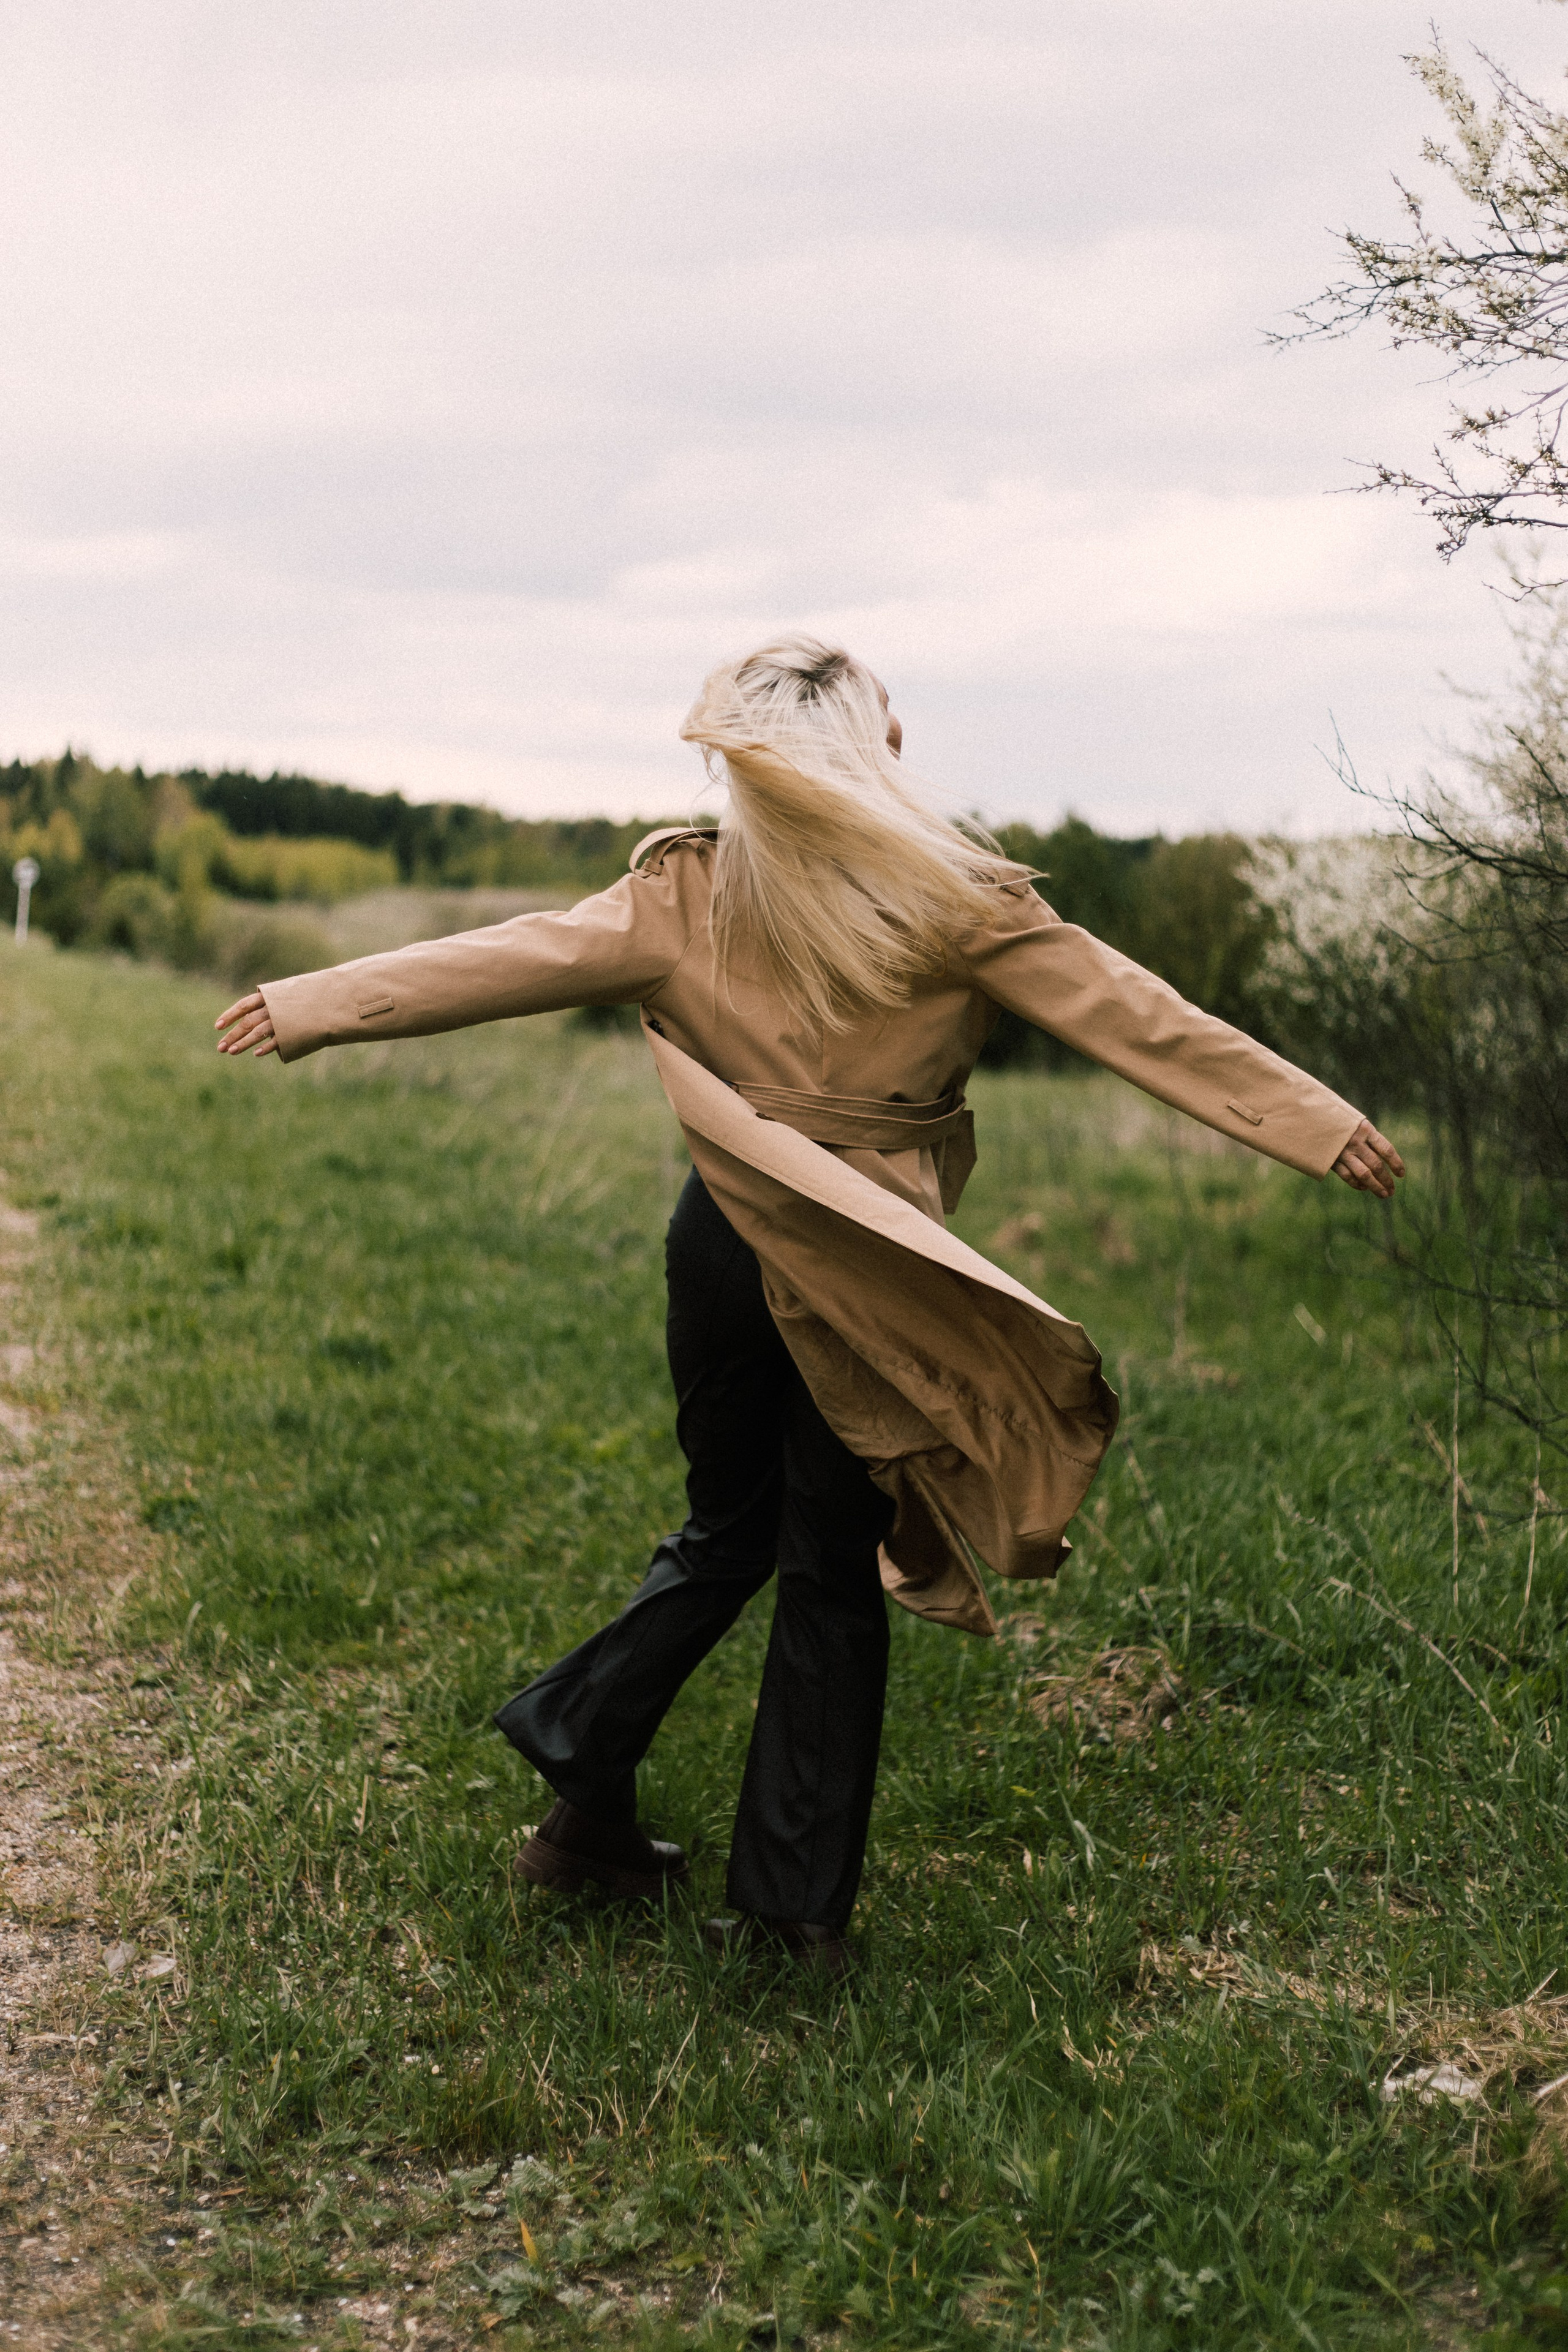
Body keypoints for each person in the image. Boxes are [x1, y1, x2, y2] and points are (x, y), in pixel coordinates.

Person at [216, 636, 1403, 1976]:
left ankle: (578, 1804)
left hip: (716, 1241)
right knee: (823, 1571)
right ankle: (783, 1919)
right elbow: (1140, 1020)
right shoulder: (953, 902)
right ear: (873, 754)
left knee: (722, 1532)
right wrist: (1312, 1120)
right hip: (862, 1268)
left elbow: (509, 958)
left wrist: (313, 1002)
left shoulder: (691, 892)